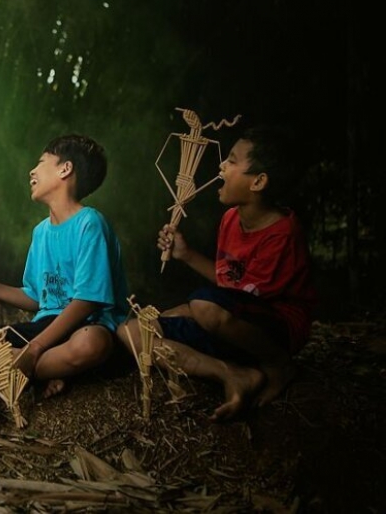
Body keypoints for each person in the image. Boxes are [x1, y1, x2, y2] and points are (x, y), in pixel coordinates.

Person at [120, 125, 316, 421]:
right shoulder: (230, 219)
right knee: (134, 331)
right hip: (230, 322)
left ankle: (278, 365)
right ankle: (231, 373)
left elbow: (244, 299)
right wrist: (185, 254)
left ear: (259, 181)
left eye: (233, 161)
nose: (221, 165)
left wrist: (193, 310)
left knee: (201, 306)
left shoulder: (282, 233)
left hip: (273, 332)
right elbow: (229, 282)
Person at [0, 134, 129, 398]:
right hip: (46, 326)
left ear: (65, 168)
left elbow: (87, 302)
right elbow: (37, 298)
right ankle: (45, 369)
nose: (32, 170)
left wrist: (34, 349)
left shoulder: (90, 223)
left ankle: (17, 369)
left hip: (85, 326)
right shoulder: (41, 233)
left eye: (41, 162)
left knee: (91, 343)